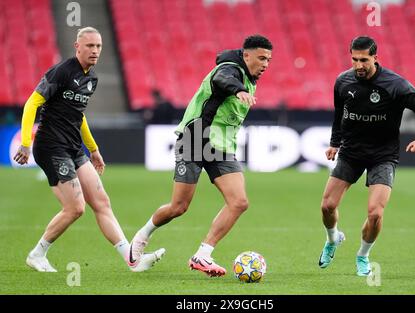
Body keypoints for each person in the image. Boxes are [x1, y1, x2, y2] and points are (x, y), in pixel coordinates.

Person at [13, 27, 164, 273]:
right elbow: (33, 102)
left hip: (73, 147)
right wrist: (26, 143)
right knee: (75, 208)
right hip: (51, 146)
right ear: (78, 46)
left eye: (99, 46)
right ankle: (37, 254)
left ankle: (132, 260)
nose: (95, 51)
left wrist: (93, 149)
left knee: (102, 202)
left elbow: (78, 116)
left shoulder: (91, 79)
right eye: (90, 46)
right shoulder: (62, 71)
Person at [129, 35, 273, 277]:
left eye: (269, 59)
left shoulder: (250, 79)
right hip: (195, 138)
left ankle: (203, 255)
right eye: (261, 58)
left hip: (222, 146)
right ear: (246, 55)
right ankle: (142, 236)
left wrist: (241, 89)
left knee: (239, 202)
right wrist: (237, 90)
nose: (266, 63)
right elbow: (221, 79)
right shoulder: (230, 69)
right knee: (179, 207)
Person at [318, 36, 415, 276]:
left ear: (375, 58)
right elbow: (338, 114)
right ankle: (333, 239)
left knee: (375, 213)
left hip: (383, 155)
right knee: (327, 206)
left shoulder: (395, 85)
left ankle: (363, 255)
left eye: (364, 60)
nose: (359, 65)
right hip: (351, 152)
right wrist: (335, 143)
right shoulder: (343, 82)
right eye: (354, 59)